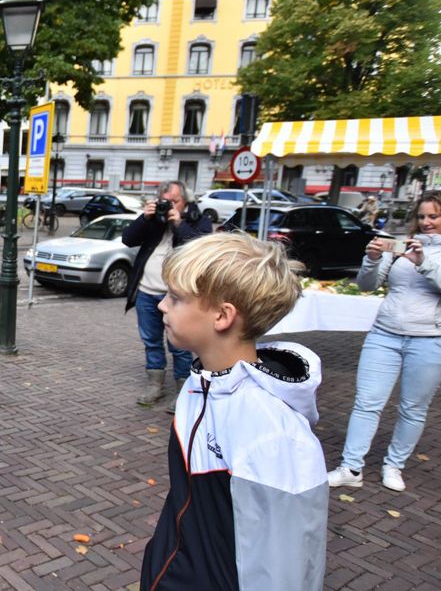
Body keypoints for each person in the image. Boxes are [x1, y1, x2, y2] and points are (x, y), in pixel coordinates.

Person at [139, 232, 328, 590]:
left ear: (223, 316)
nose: (162, 305)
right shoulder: (199, 386)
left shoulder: (274, 435)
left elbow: (283, 573)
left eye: (176, 298)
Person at [327, 190, 441, 493]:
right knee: (367, 402)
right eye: (421, 216)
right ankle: (351, 467)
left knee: (413, 408)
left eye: (433, 216)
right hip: (385, 334)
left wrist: (424, 263)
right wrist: (372, 259)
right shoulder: (400, 246)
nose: (426, 222)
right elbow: (367, 285)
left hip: (431, 340)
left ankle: (394, 464)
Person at [122, 180, 212, 410]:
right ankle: (156, 386)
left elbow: (201, 247)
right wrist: (144, 217)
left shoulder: (198, 220)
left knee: (180, 343)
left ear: (186, 201)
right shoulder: (153, 220)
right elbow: (128, 239)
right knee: (151, 341)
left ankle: (183, 389)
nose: (169, 206)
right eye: (165, 201)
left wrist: (179, 223)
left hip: (178, 297)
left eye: (174, 201)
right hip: (146, 291)